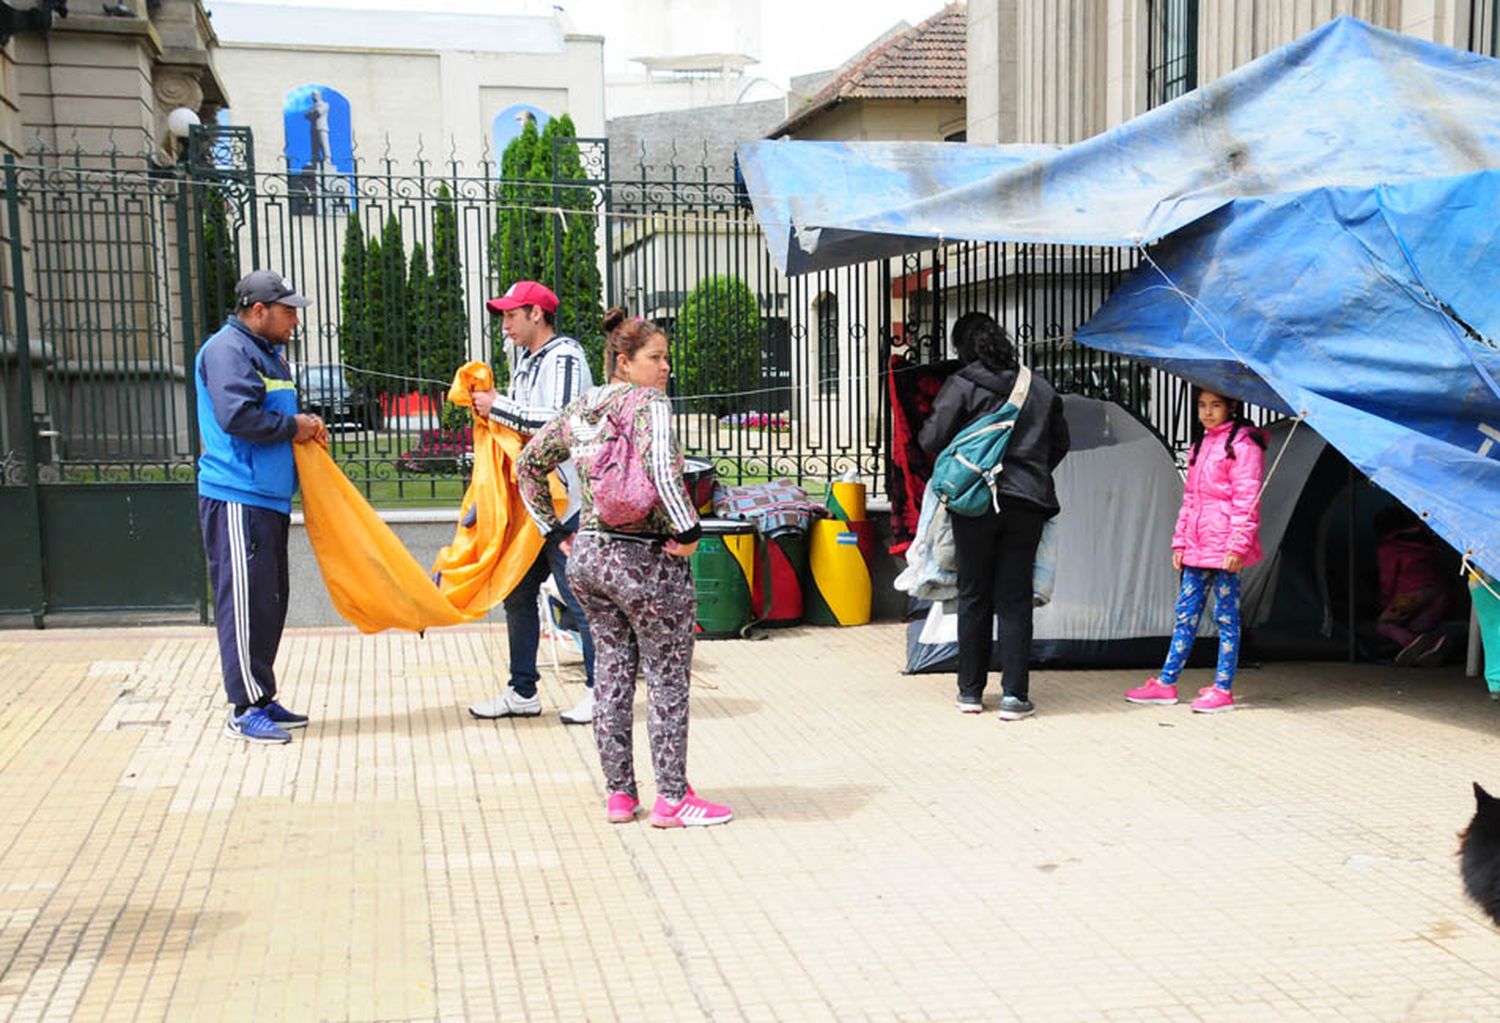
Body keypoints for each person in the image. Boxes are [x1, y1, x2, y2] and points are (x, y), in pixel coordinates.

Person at [516, 310, 732, 828]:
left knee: (612, 675)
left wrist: (555, 530)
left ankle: (619, 795)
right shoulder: (649, 404)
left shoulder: (584, 405)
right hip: (647, 559)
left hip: (589, 559)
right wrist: (688, 531)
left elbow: (528, 463)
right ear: (624, 360)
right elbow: (660, 467)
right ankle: (673, 798)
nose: (665, 369)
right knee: (666, 678)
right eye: (655, 358)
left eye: (666, 359)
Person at [917, 312, 1070, 721]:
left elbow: (931, 438)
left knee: (974, 594)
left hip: (975, 503)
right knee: (1015, 599)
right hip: (1027, 503)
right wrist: (1030, 473)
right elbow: (1060, 444)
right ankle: (1014, 697)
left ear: (964, 347)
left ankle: (970, 692)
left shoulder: (963, 384)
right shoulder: (1037, 387)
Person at [196, 270, 323, 744]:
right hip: (236, 495)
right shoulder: (227, 350)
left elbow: (275, 413)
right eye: (288, 311)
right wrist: (295, 427)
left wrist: (301, 425)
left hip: (265, 498)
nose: (294, 320)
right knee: (245, 605)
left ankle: (262, 695)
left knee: (268, 603)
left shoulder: (266, 353)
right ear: (258, 311)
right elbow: (237, 416)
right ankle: (244, 708)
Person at [468, 280, 598, 724]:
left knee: (579, 598)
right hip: (535, 503)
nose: (504, 325)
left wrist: (496, 405)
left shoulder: (564, 356)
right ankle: (522, 690)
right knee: (519, 594)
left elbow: (559, 420)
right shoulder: (527, 360)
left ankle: (602, 693)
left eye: (510, 315)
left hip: (566, 504)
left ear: (536, 315)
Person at [1126, 388, 1266, 713]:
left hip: (1226, 546)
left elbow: (1247, 500)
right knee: (1185, 613)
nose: (1207, 412)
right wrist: (1180, 541)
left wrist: (1238, 546)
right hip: (1198, 544)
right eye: (1202, 405)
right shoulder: (1201, 444)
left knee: (1226, 616)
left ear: (1232, 405)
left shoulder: (1243, 446)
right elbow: (1190, 499)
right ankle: (1166, 682)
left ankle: (1223, 688)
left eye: (1215, 405)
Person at [1373, 506, 1453, 666]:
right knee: (1419, 626)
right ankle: (1444, 638)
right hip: (1441, 592)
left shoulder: (1390, 547)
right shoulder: (1426, 541)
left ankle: (1413, 643)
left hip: (1412, 595)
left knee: (1385, 624)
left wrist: (1386, 601)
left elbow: (1388, 577)